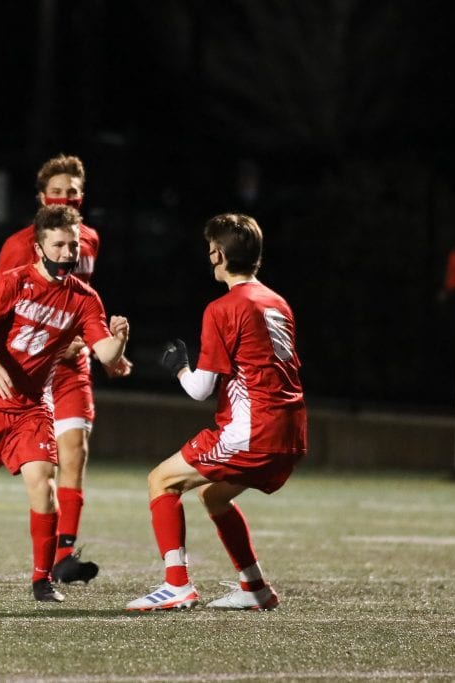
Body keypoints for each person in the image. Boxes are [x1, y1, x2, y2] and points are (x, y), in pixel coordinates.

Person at [0, 204, 129, 602]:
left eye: (74, 246)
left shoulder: (86, 299)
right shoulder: (11, 283)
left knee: (43, 485)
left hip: (31, 407)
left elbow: (104, 354)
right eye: (60, 244)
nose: (69, 253)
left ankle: (41, 579)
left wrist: (120, 339)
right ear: (39, 248)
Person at [125, 213, 307, 612]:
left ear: (217, 254)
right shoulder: (277, 302)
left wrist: (179, 368)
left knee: (162, 481)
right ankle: (255, 588)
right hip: (291, 430)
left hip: (253, 429)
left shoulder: (224, 308)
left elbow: (200, 390)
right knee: (214, 497)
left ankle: (177, 586)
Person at [0, 154, 131, 584]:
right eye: (57, 191)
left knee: (74, 451)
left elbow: (81, 299)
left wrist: (103, 345)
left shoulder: (89, 238)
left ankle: (63, 555)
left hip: (72, 365)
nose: (66, 196)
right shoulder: (19, 245)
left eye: (73, 190)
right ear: (40, 197)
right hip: (27, 365)